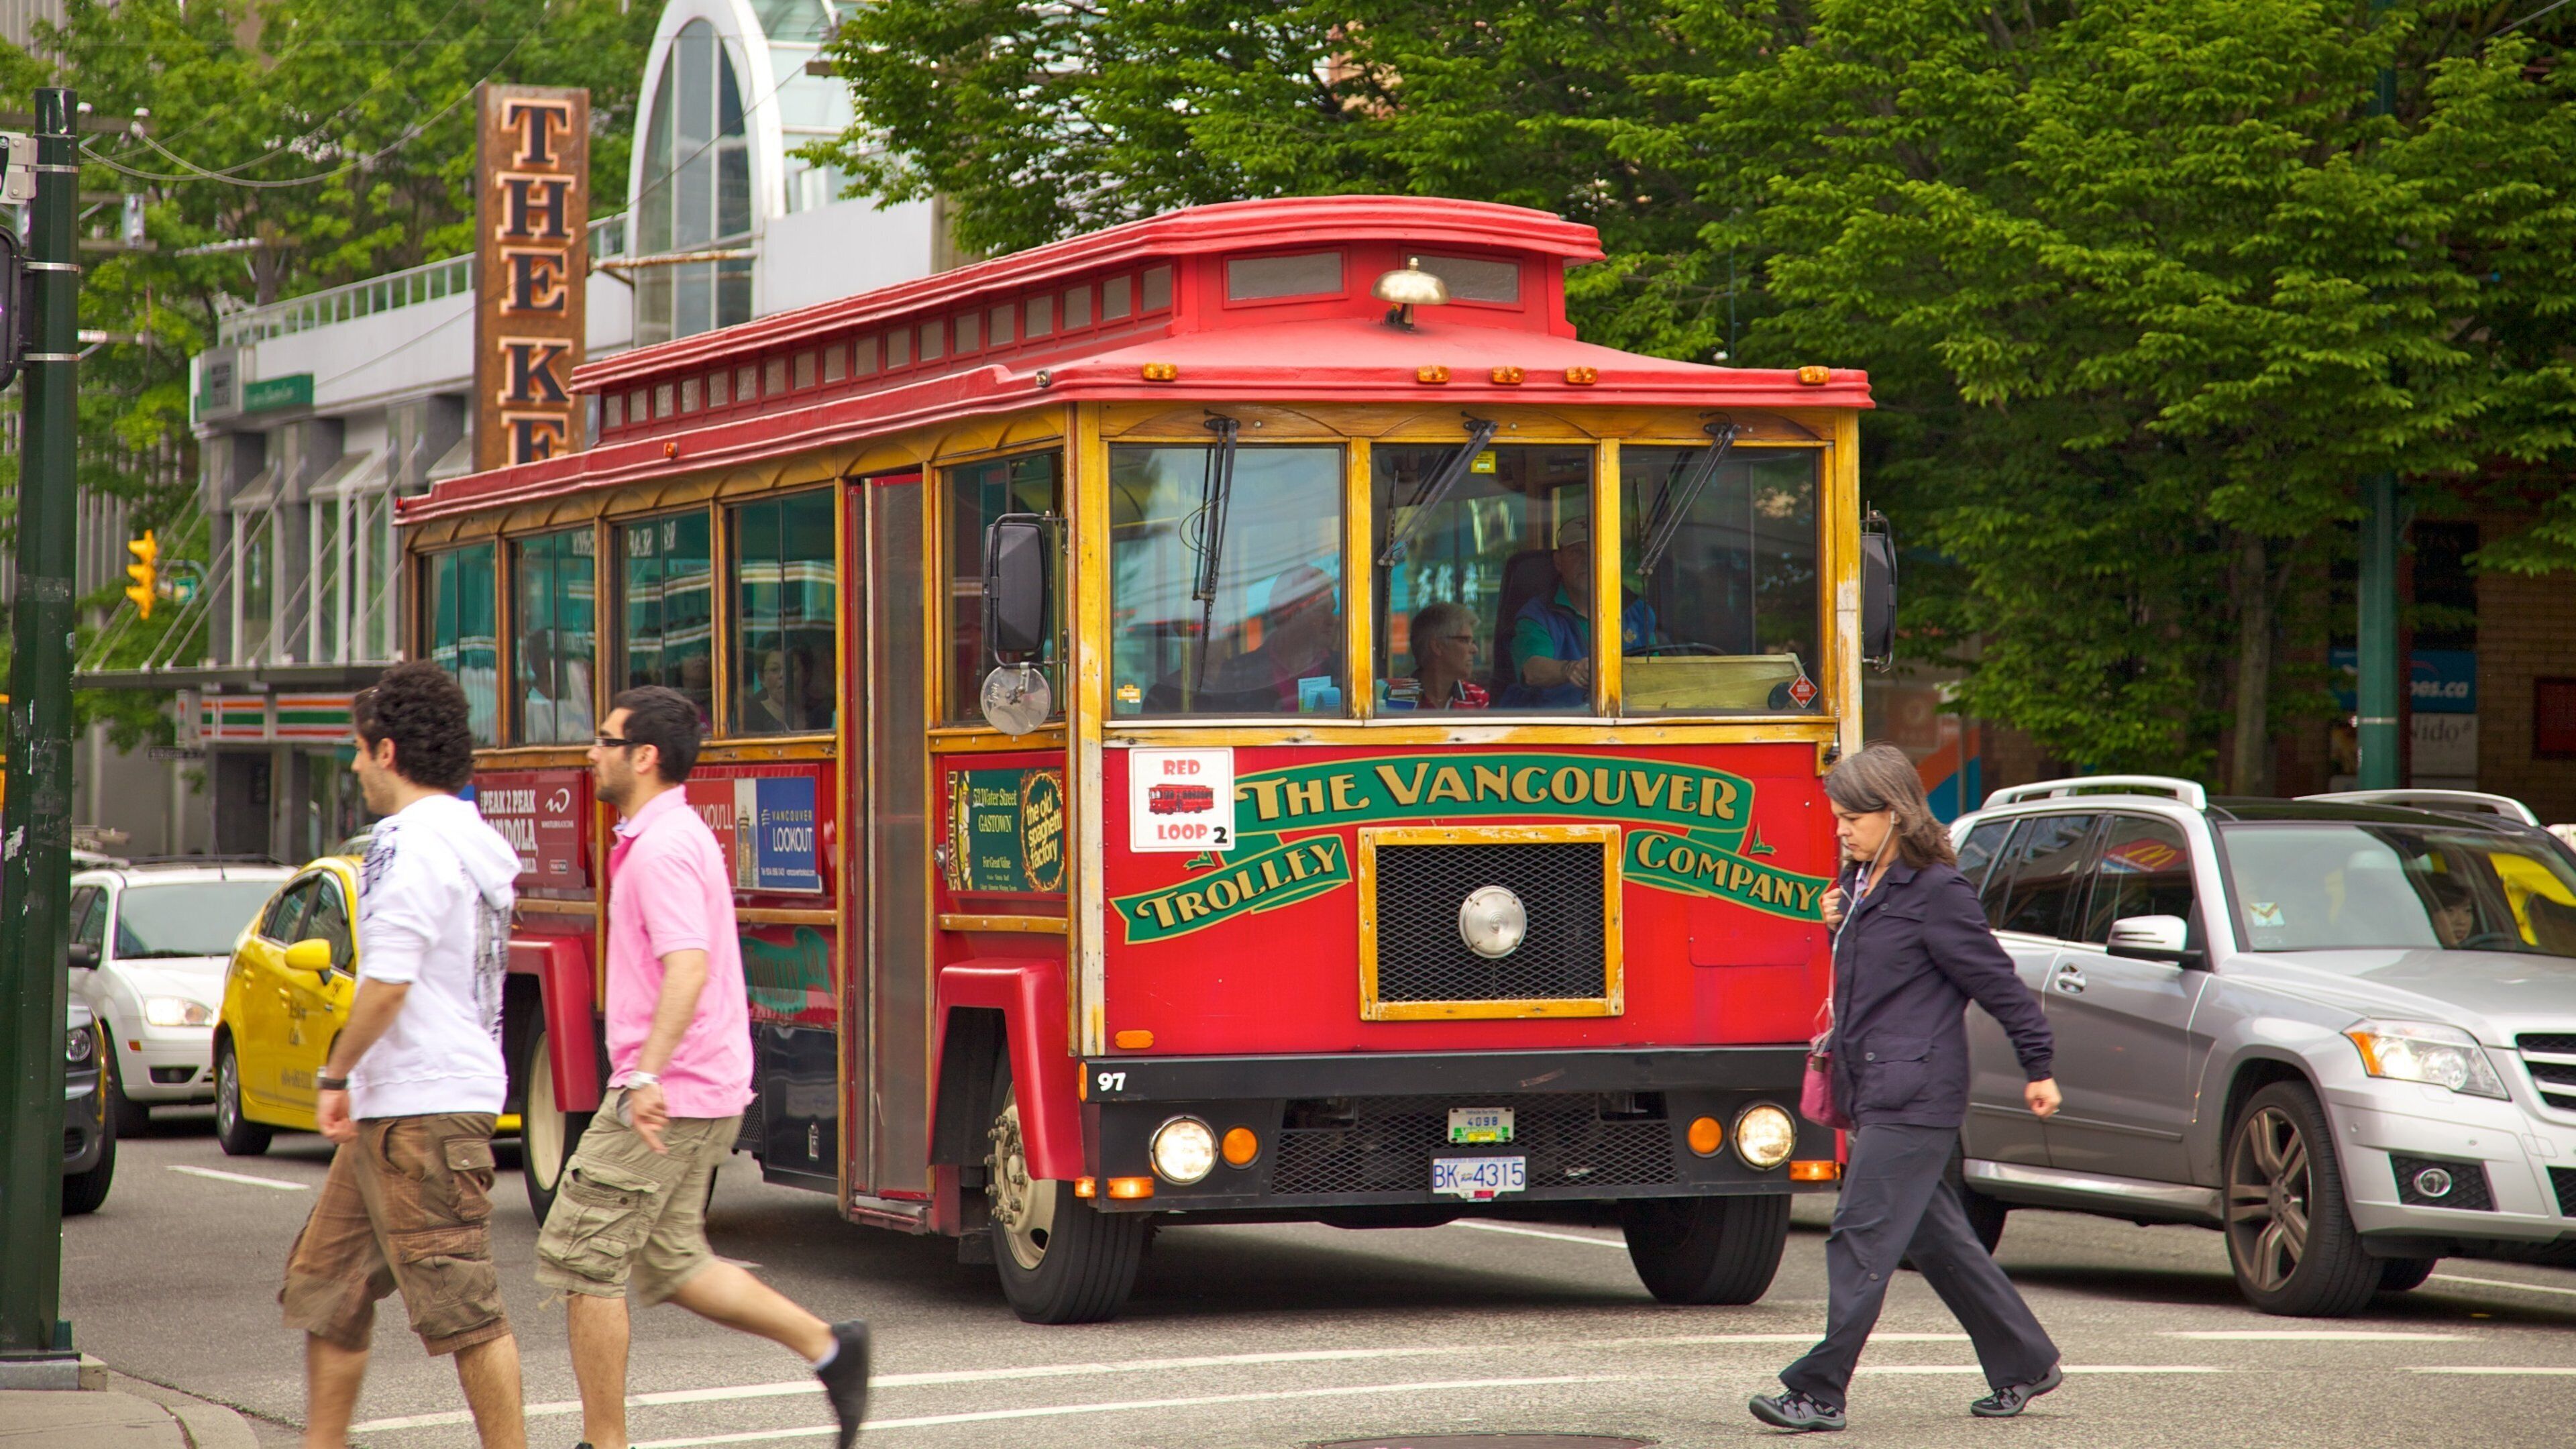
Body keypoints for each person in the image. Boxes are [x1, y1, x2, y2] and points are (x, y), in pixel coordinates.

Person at [538, 685, 871, 1449]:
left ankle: (603, 1443)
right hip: (701, 1085)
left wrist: (646, 1076)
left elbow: (687, 969)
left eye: (605, 740)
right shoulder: (672, 835)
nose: (591, 753)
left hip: (673, 1090)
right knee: (674, 1263)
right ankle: (833, 1349)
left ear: (644, 757)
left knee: (584, 1259)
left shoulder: (661, 849)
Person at [1749, 743, 2063, 1434]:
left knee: (1859, 1235)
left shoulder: (1938, 893)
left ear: (1894, 813)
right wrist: (1838, 927)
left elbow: (1999, 984)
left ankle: (1819, 1392)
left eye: (1852, 818)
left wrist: (2038, 1066)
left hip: (1917, 1094)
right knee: (1939, 1240)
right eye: (1837, 817)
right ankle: (2025, 1360)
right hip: (1876, 1086)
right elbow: (1867, 989)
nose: (1840, 830)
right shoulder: (1862, 886)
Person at [279, 661, 528, 1449]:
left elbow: (388, 981)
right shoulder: (471, 840)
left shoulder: (406, 842)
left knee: (463, 1309)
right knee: (329, 1285)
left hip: (421, 1111)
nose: (355, 766)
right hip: (404, 1105)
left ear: (388, 752)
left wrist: (336, 1073)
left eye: (359, 750)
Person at [1501, 517, 1653, 708]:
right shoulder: (1536, 616)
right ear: (1558, 561)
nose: (1587, 560)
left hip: (1628, 717)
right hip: (1557, 721)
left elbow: (1655, 672)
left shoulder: (1638, 612)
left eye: (1596, 551)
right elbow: (1532, 670)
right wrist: (1569, 669)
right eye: (1576, 551)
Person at [1173, 562, 1342, 713]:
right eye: (1321, 611)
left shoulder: (1343, 669)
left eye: (1332, 609)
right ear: (1292, 614)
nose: (1333, 620)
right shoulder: (1236, 675)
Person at [1403, 600, 1489, 710]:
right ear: (1437, 646)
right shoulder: (1394, 699)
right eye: (1464, 640)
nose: (1475, 650)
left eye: (1473, 642)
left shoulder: (1479, 700)